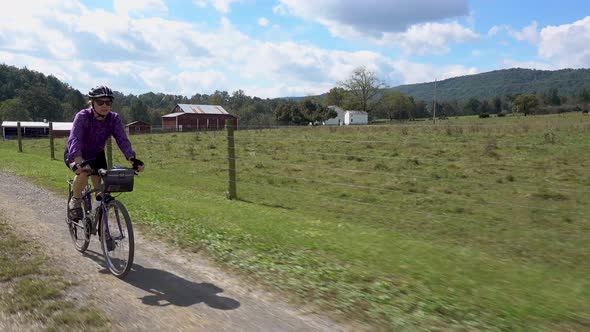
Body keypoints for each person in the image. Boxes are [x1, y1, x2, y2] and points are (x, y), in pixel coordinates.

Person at [64, 85, 145, 219]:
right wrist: (78, 161)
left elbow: (122, 139)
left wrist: (132, 158)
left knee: (102, 190)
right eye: (100, 102)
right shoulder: (83, 116)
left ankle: (99, 223)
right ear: (92, 103)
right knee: (84, 172)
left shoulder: (113, 119)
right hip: (76, 153)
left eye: (108, 102)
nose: (104, 106)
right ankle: (75, 200)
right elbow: (75, 139)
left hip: (97, 155)